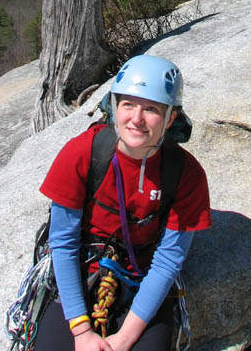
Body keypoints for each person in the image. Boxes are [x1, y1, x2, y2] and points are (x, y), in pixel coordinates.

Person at [34, 54, 211, 351]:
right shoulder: (82, 153)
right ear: (113, 108)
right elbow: (63, 243)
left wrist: (125, 339)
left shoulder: (186, 175)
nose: (137, 119)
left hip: (142, 282)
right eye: (127, 104)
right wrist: (81, 331)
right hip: (81, 273)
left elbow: (168, 260)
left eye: (151, 109)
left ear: (171, 118)